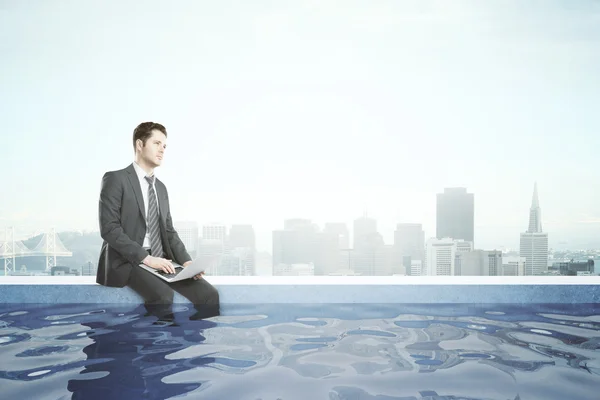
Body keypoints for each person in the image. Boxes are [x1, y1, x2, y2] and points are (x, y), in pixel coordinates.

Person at [96, 121, 219, 321]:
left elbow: (168, 231)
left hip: (162, 259)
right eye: (157, 143)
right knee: (163, 295)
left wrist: (187, 262)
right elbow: (109, 229)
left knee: (209, 295)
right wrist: (146, 258)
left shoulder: (160, 188)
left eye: (164, 145)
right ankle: (158, 349)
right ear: (139, 144)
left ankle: (199, 346)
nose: (162, 149)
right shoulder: (115, 179)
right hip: (129, 260)